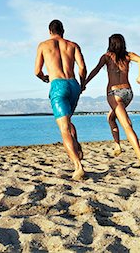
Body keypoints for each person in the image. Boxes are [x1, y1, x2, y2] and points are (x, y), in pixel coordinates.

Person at [84, 33, 140, 169]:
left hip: (114, 94)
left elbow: (95, 70)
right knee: (111, 118)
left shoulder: (107, 57)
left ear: (111, 43)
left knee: (126, 124)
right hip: (128, 93)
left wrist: (84, 83)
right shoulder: (128, 55)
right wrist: (139, 77)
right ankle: (118, 145)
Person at [34, 19, 87, 180]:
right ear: (63, 30)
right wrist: (82, 84)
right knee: (68, 121)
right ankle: (76, 144)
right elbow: (82, 67)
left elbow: (37, 71)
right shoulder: (73, 45)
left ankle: (78, 166)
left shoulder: (43, 45)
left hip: (58, 85)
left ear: (50, 31)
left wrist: (44, 78)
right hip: (73, 85)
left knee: (64, 128)